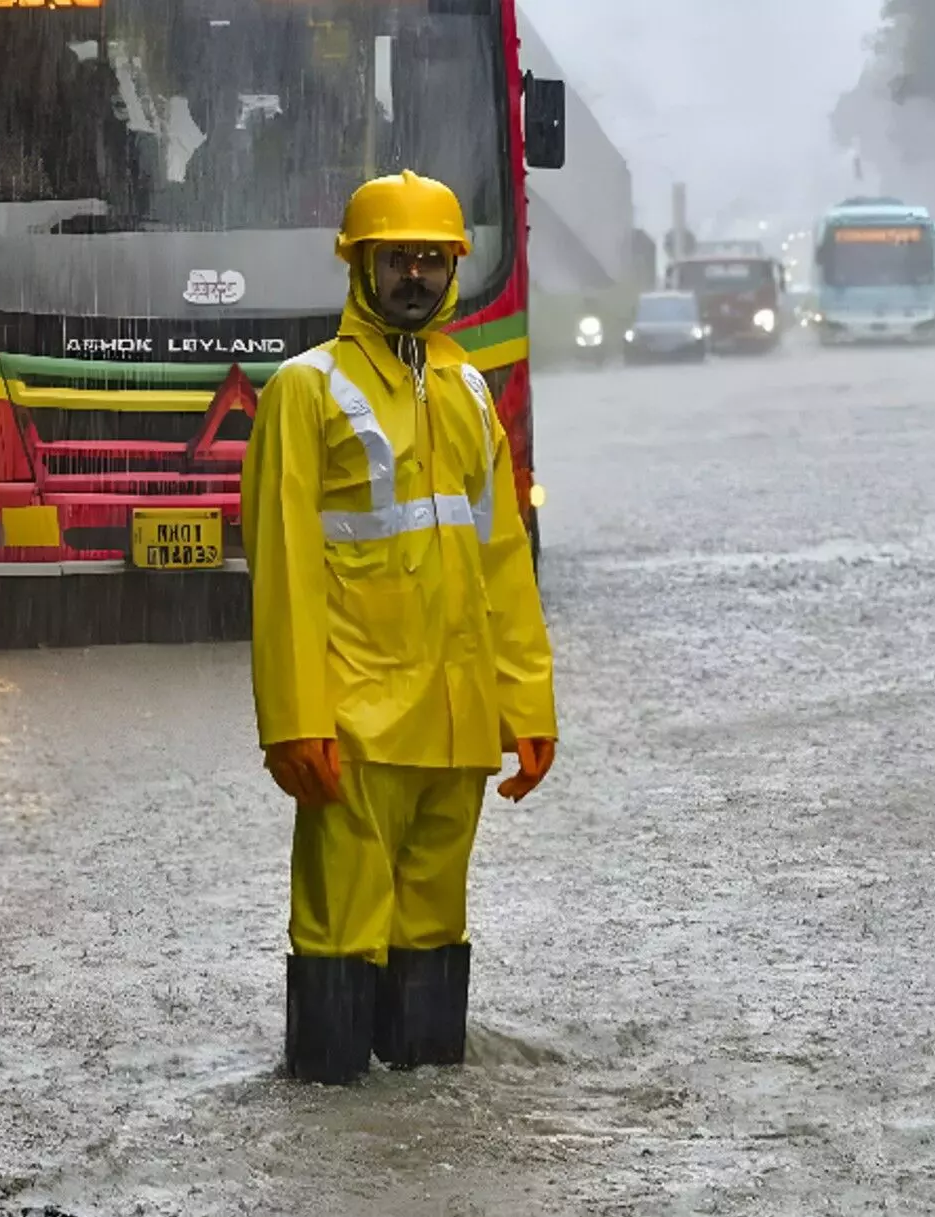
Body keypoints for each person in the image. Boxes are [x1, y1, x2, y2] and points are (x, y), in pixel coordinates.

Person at [241, 170, 559, 1086]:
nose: (415, 276)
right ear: (359, 267)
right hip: (354, 721)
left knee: (433, 926)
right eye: (398, 260)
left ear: (454, 269)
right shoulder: (305, 390)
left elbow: (503, 559)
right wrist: (294, 719)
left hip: (455, 726)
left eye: (432, 259)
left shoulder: (467, 389)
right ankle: (332, 1112)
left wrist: (527, 706)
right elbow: (285, 572)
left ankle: (414, 1135)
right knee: (341, 925)